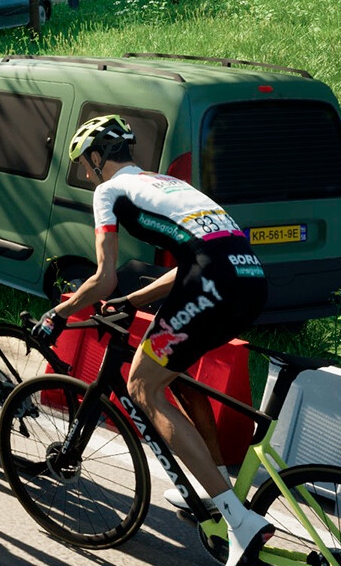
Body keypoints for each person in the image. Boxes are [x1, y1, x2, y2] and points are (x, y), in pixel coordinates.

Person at [38, 116, 271, 566]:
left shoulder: (110, 191)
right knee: (173, 374)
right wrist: (134, 299)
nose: (86, 173)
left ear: (97, 157)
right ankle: (213, 483)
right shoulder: (166, 183)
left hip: (212, 283)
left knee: (142, 386)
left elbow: (103, 278)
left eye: (84, 163)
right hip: (250, 280)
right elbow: (195, 258)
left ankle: (238, 520)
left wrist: (59, 313)